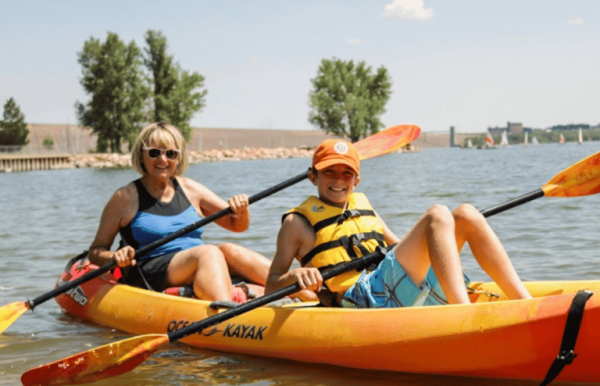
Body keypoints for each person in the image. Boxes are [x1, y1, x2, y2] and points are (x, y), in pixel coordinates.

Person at [265, 139, 532, 307]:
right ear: (313, 177)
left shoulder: (362, 205)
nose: (338, 180)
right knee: (438, 214)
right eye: (329, 172)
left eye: (347, 173)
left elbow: (396, 247)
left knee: (465, 214)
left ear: (356, 180)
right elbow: (272, 285)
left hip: (388, 286)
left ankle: (524, 305)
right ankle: (462, 314)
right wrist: (294, 276)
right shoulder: (296, 223)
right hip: (359, 300)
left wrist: (438, 238)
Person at [88, 122, 270, 303]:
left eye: (171, 154)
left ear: (179, 158)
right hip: (150, 270)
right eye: (154, 152)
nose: (163, 160)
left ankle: (290, 286)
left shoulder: (190, 189)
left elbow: (236, 225)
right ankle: (228, 317)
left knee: (228, 250)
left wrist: (242, 210)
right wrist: (114, 256)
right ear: (141, 155)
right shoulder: (124, 197)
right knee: (209, 252)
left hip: (196, 261)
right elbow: (96, 251)